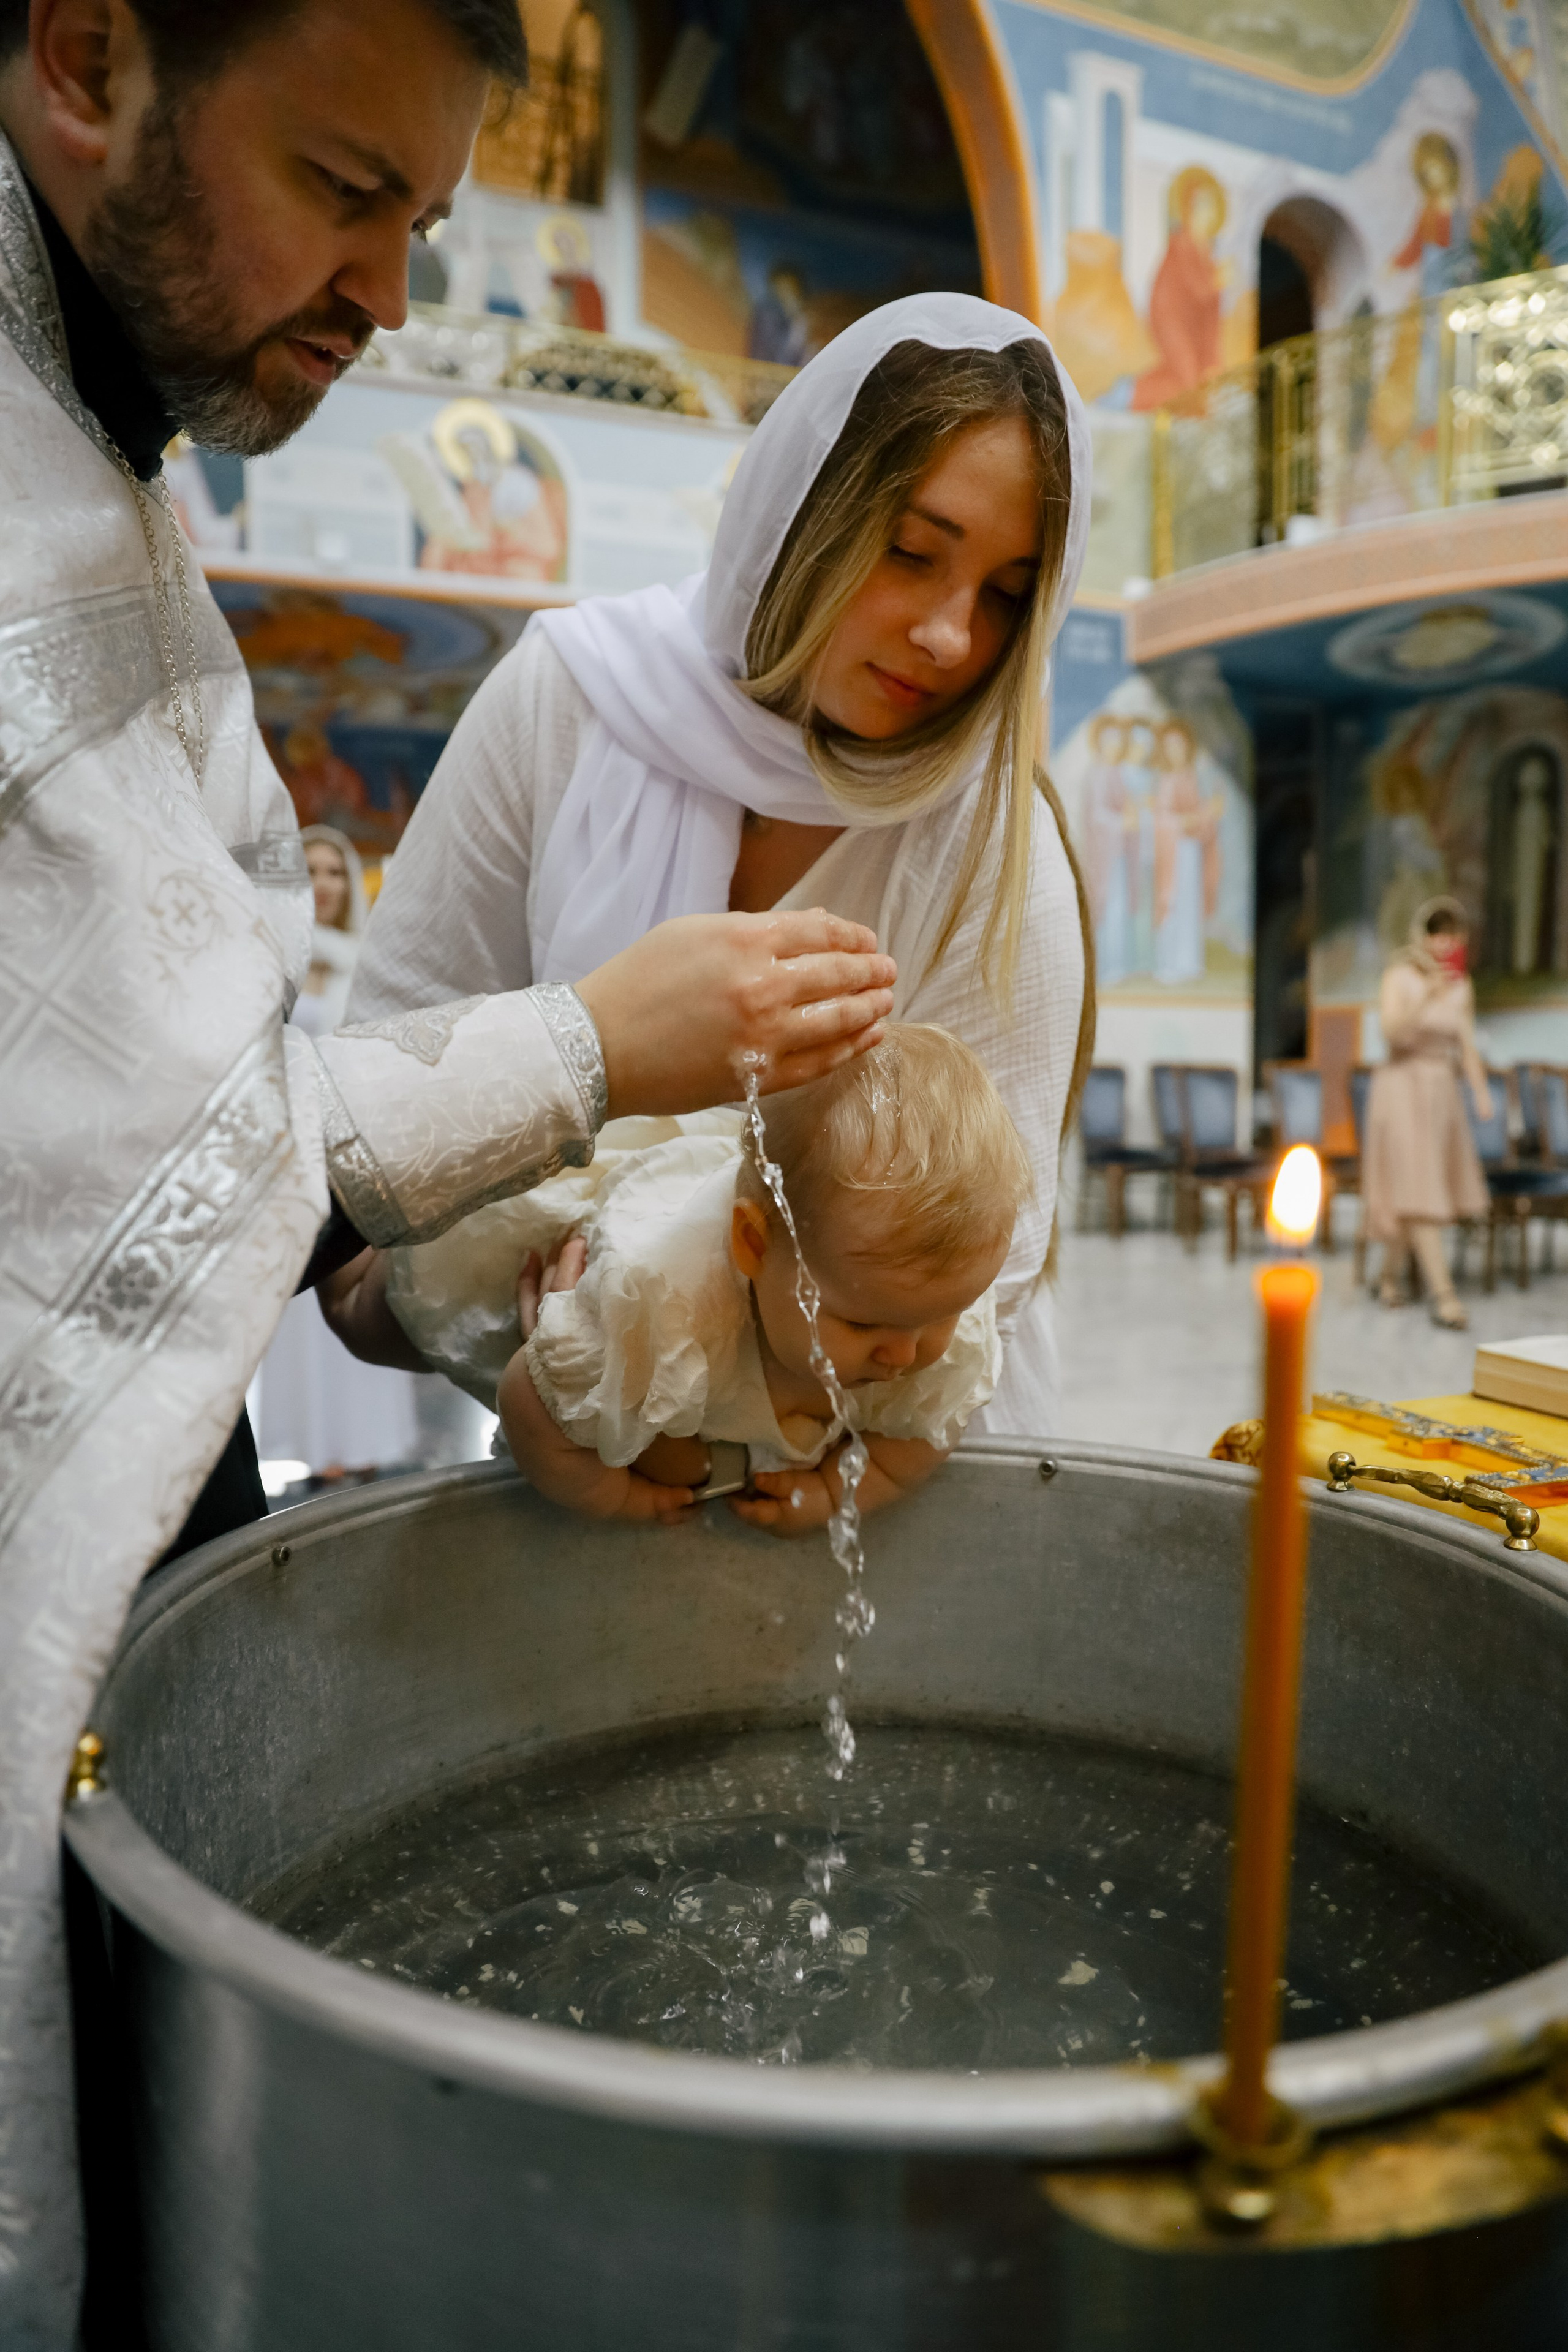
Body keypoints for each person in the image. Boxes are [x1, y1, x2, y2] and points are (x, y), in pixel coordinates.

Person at [0, 2, 894, 2338]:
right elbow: (179, 1163)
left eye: (426, 219)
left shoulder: (98, 447)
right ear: (87, 62)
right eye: (344, 190)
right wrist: (596, 1054)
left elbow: (203, 1094)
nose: (396, 297)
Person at [349, 292, 1096, 1439]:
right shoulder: (569, 703)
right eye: (911, 553)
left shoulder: (991, 842)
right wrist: (555, 1338)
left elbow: (984, 1270)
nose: (952, 637)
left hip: (885, 1469)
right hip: (571, 1451)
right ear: (804, 514)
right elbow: (379, 1127)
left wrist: (707, 1378)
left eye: (1005, 596)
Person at [358, 1024, 1028, 1532]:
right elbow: (531, 1411)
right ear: (753, 1245)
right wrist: (616, 1497)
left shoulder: (919, 1299)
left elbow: (925, 1436)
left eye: (940, 1317)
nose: (905, 1354)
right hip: (592, 1236)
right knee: (416, 1284)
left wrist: (836, 1491)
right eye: (861, 1323)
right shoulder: (658, 1304)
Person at [1363, 897, 1492, 1329]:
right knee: (1418, 1189)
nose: (1443, 943)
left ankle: (1386, 1277)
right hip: (1401, 1088)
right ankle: (1444, 1294)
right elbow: (1391, 1033)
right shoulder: (1399, 976)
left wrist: (1481, 1092)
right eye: (1437, 933)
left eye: (1451, 935)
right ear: (1423, 936)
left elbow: (1466, 1045)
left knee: (1418, 1186)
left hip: (1442, 1093)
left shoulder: (1463, 986)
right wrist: (1426, 996)